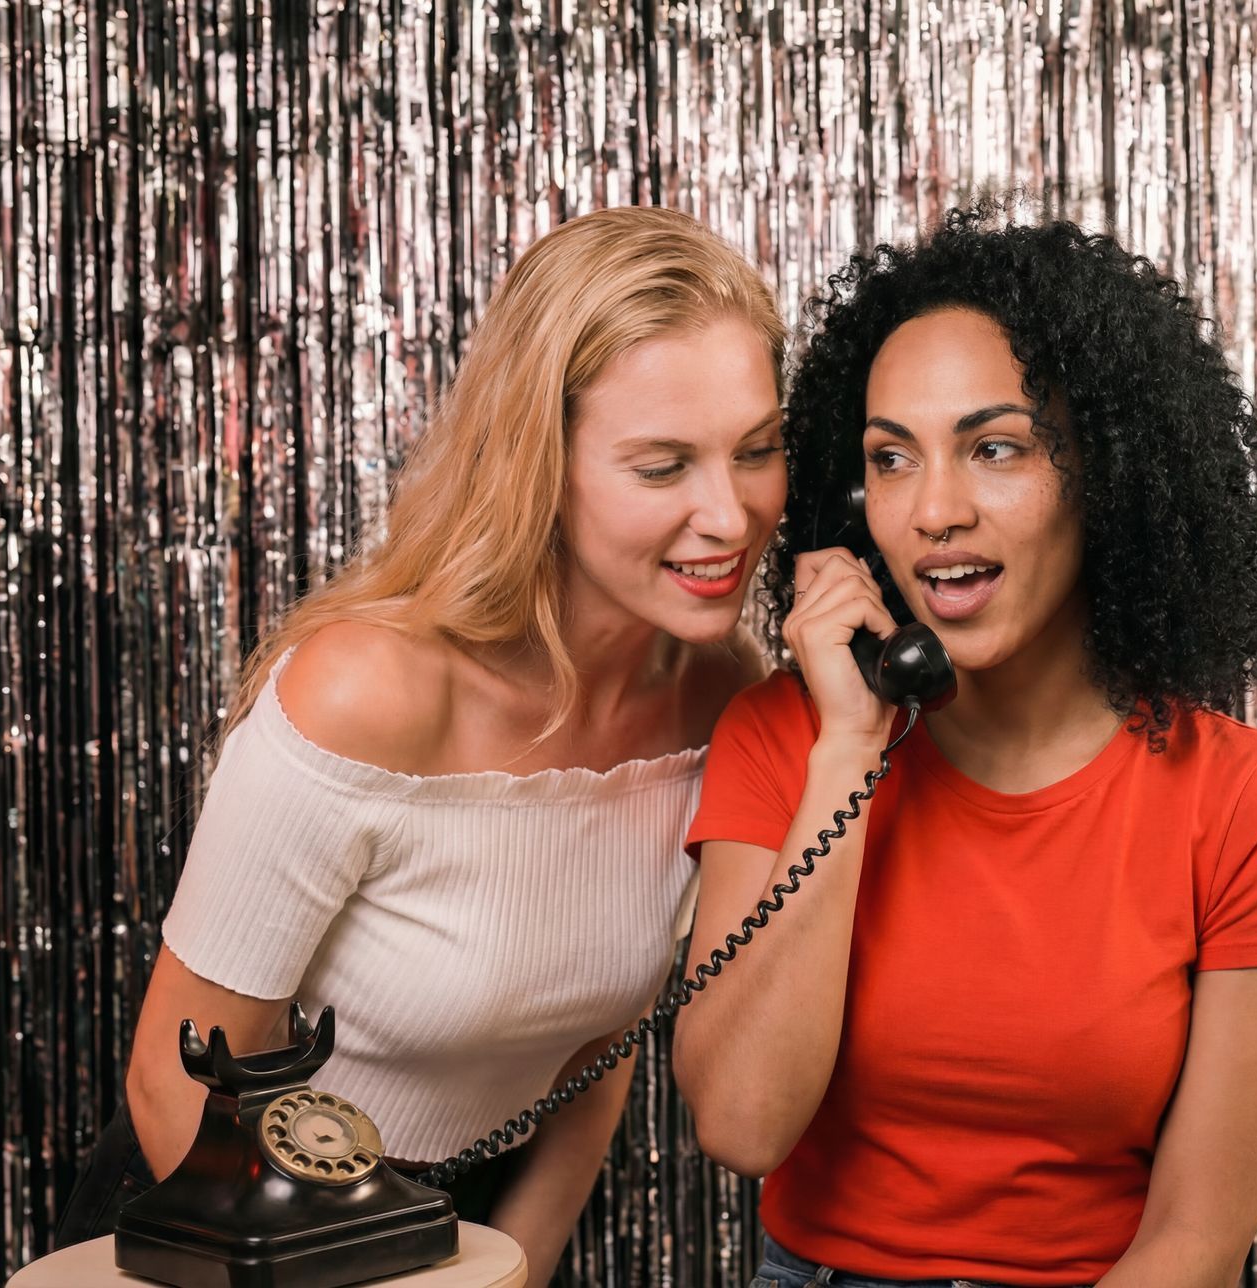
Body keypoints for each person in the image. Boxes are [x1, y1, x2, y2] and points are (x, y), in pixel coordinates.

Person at [56, 206, 789, 1286]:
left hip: (472, 1231)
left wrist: (515, 1270)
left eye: (759, 449)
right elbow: (176, 1083)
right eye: (662, 464)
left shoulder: (729, 693)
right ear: (543, 460)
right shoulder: (366, 690)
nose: (728, 515)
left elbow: (592, 1052)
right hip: (222, 1219)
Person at [672, 202, 1257, 1287]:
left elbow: (1197, 1241)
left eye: (995, 448)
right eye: (891, 460)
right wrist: (849, 747)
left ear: (1108, 473)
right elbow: (745, 1124)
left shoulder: (1248, 801)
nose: (935, 509)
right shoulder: (785, 738)